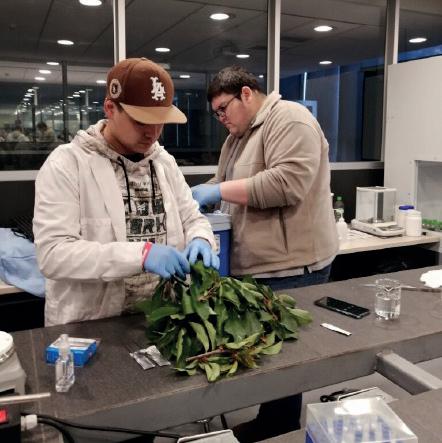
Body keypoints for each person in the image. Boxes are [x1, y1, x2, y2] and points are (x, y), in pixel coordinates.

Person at [191, 66, 339, 442]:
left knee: (285, 354)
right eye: (215, 114)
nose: (221, 119)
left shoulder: (290, 120)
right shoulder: (237, 137)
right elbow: (224, 182)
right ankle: (272, 421)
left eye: (223, 109)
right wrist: (197, 194)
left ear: (245, 93)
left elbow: (287, 184)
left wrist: (218, 191)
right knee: (267, 351)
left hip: (292, 264)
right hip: (257, 264)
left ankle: (280, 427)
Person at [33, 57, 219, 327]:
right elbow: (54, 255)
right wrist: (140, 255)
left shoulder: (163, 163)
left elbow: (192, 218)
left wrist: (200, 238)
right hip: (94, 324)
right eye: (141, 121)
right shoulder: (68, 164)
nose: (152, 133)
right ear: (110, 108)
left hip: (160, 318)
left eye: (160, 122)